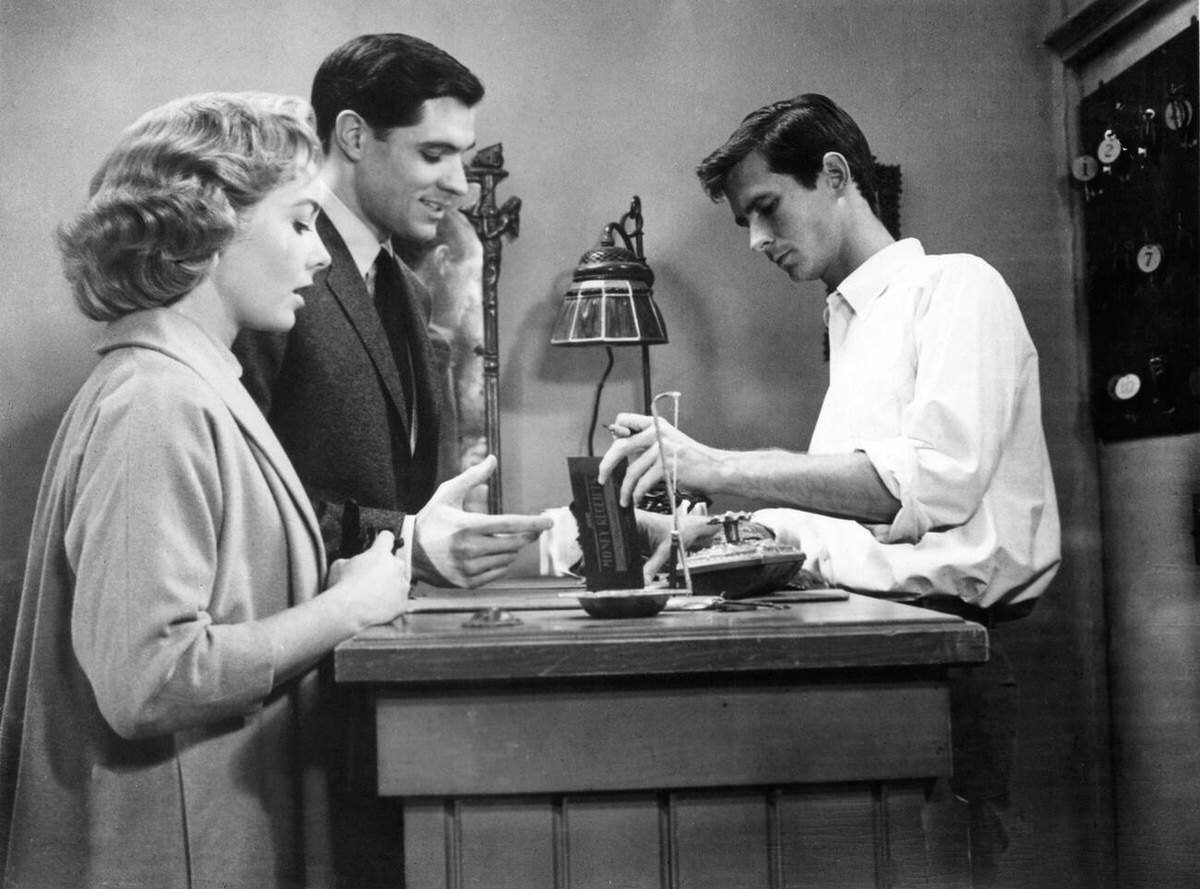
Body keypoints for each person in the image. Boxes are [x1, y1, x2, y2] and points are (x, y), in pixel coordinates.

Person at [599, 94, 1061, 886]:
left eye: (767, 207)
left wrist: (715, 466)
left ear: (837, 175)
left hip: (943, 659)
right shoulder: (851, 322)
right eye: (745, 220)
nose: (756, 239)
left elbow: (933, 483)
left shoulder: (957, 287)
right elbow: (843, 522)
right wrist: (709, 537)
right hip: (865, 650)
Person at [0, 92, 415, 889]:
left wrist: (329, 586)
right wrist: (344, 610)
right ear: (210, 230)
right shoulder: (158, 402)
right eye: (299, 224)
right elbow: (150, 677)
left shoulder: (191, 384)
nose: (320, 257)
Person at [233, 33, 550, 589]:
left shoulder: (409, 289)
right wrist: (403, 541)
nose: (461, 186)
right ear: (354, 135)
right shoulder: (268, 273)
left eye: (462, 158)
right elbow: (237, 489)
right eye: (434, 154)